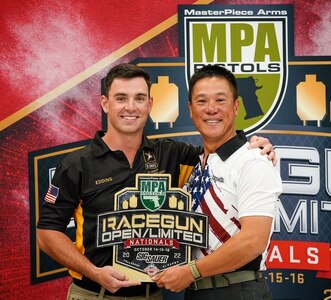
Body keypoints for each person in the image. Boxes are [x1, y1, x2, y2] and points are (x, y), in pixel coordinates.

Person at [37, 63, 277, 300]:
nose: (130, 107)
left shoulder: (175, 156)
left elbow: (223, 152)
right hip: (93, 293)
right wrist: (94, 273)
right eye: (121, 98)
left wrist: (260, 148)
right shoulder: (77, 164)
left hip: (153, 295)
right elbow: (47, 232)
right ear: (105, 103)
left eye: (140, 98)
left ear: (150, 104)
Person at [153, 65, 282, 300]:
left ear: (235, 107)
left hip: (238, 290)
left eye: (220, 100)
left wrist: (191, 271)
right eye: (201, 101)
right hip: (198, 290)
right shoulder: (196, 163)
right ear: (191, 110)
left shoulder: (253, 159)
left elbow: (253, 241)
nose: (211, 109)